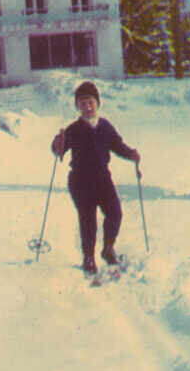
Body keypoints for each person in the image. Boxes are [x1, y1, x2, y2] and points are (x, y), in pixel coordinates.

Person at [51, 80, 141, 275]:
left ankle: (108, 248)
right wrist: (57, 144)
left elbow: (118, 146)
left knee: (115, 212)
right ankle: (89, 257)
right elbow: (59, 150)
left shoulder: (105, 126)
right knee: (88, 218)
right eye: (82, 103)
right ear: (77, 106)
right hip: (80, 180)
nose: (87, 107)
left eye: (90, 102)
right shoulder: (73, 129)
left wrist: (131, 154)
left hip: (102, 178)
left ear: (98, 103)